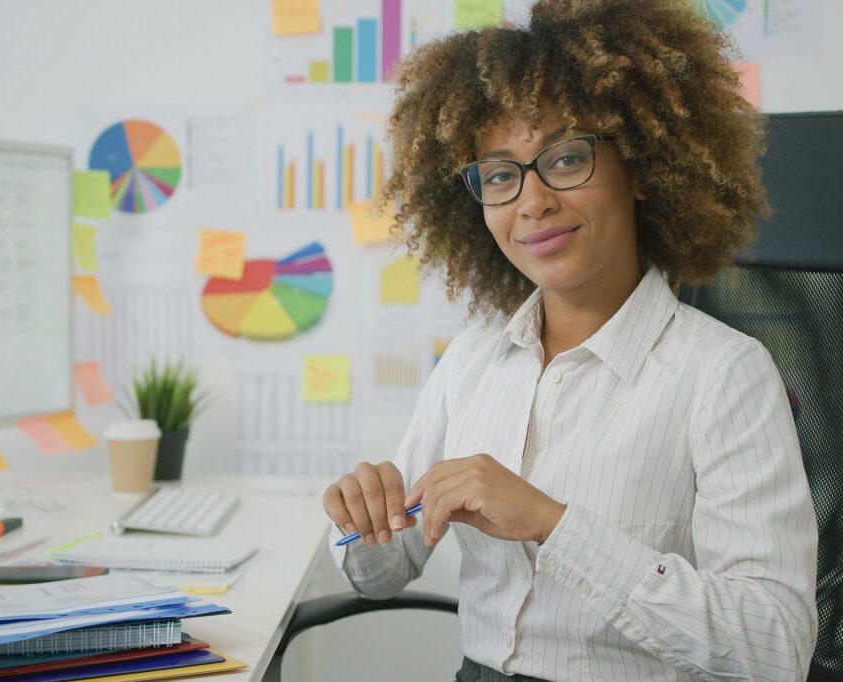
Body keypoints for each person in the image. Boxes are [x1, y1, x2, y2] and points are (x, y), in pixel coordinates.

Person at [321, 1, 819, 680]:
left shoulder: (724, 373)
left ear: (640, 168)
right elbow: (381, 574)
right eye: (501, 175)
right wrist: (363, 521)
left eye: (565, 158)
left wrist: (553, 524)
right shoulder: (473, 359)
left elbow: (776, 648)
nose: (532, 202)